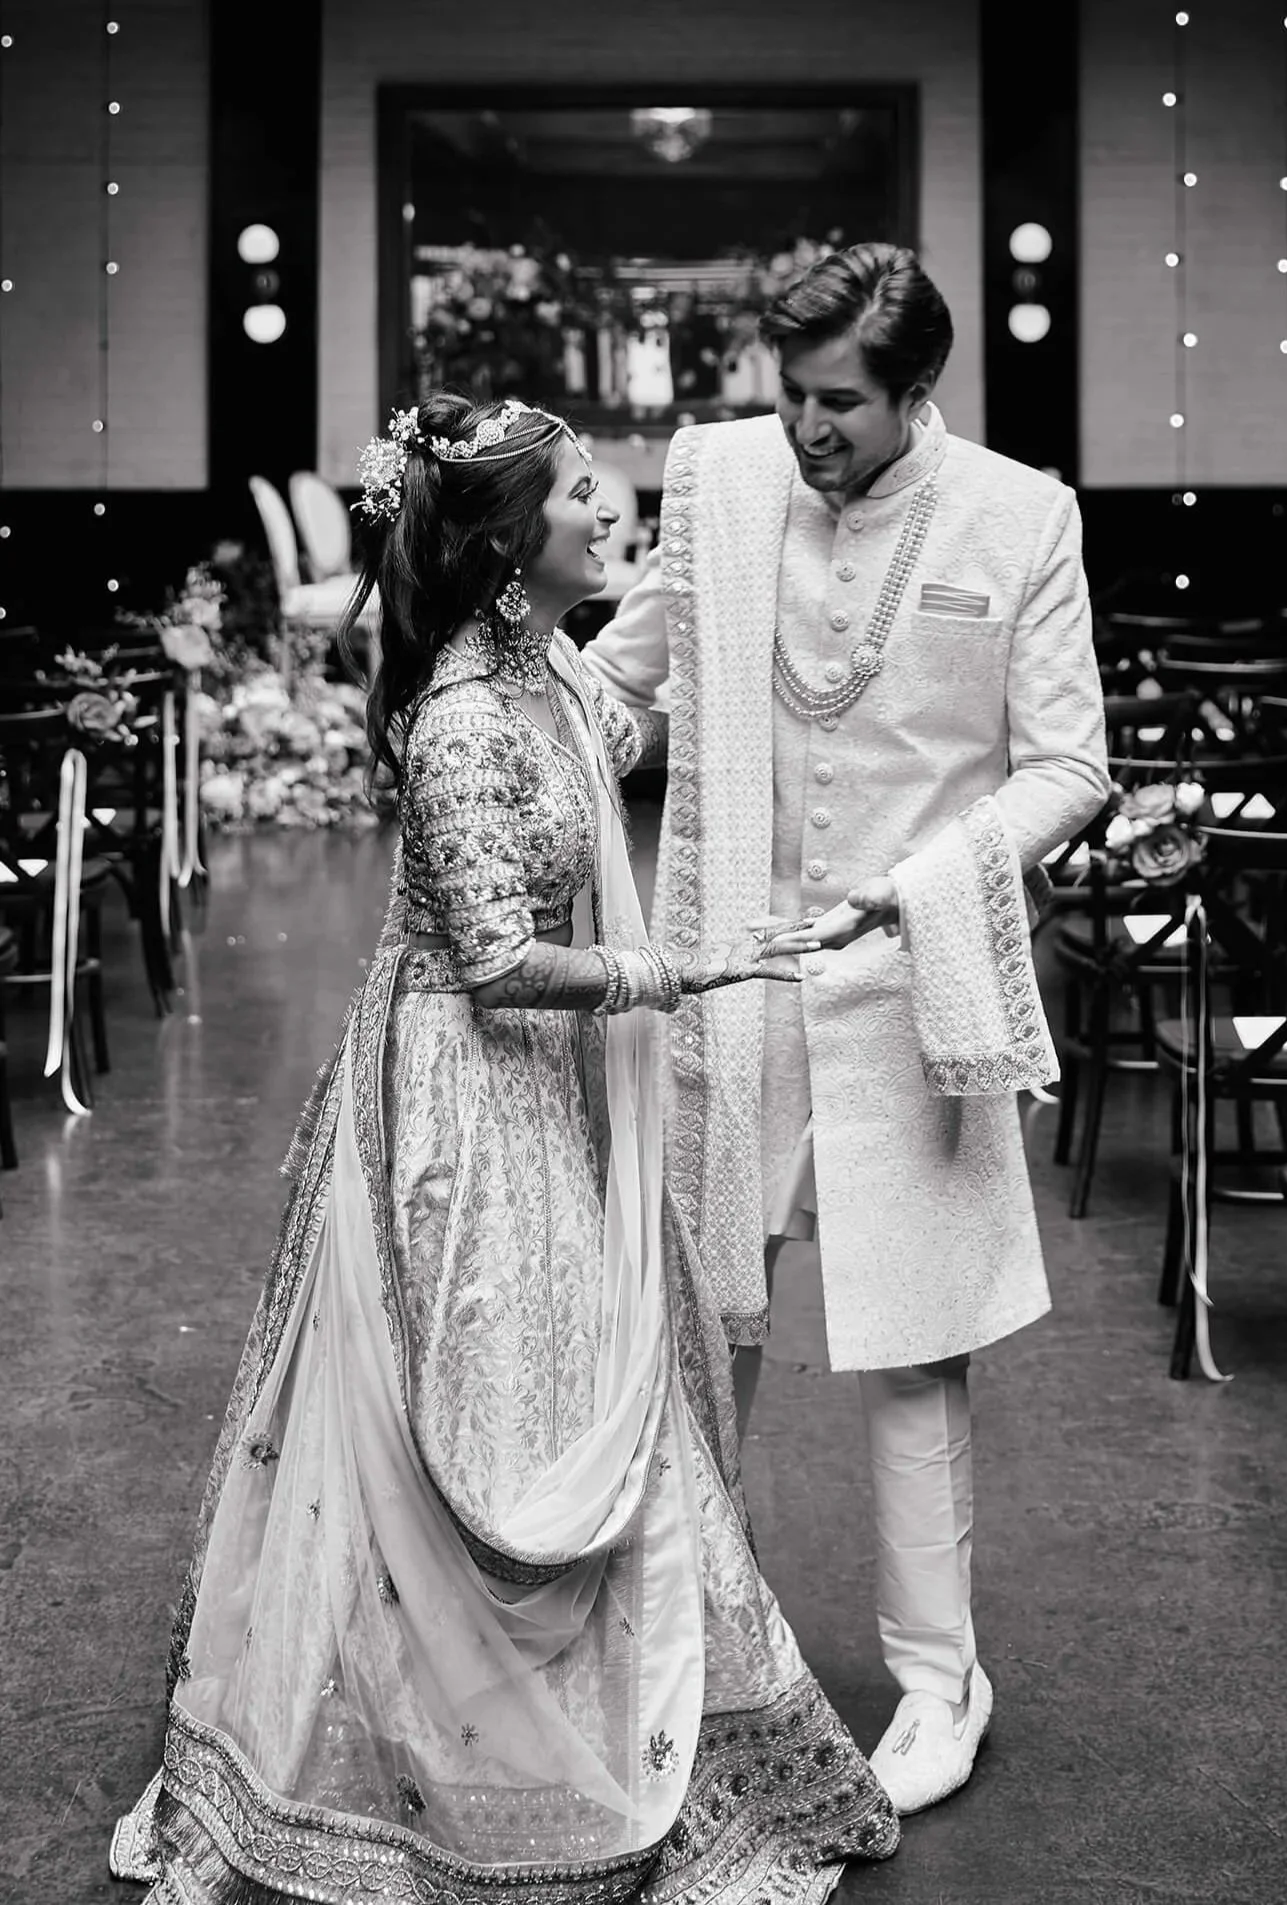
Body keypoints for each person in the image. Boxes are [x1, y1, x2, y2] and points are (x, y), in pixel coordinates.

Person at [109, 389, 899, 1903]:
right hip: (467, 1101)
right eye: (584, 496)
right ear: (497, 543)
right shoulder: (469, 713)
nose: (611, 514)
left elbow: (650, 716)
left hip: (554, 1087)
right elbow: (489, 960)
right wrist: (679, 971)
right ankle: (439, 1773)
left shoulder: (547, 673)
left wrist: (766, 559)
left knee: (599, 1389)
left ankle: (630, 1719)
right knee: (478, 1419)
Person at [583, 243, 1111, 1817]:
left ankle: (940, 1683)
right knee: (701, 1328)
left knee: (911, 1354)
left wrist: (927, 886)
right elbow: (626, 684)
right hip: (729, 971)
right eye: (788, 394)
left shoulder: (1021, 515)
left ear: (913, 391)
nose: (803, 429)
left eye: (837, 405)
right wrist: (490, 714)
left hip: (911, 986)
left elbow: (1068, 769)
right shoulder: (724, 482)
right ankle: (692, 1640)